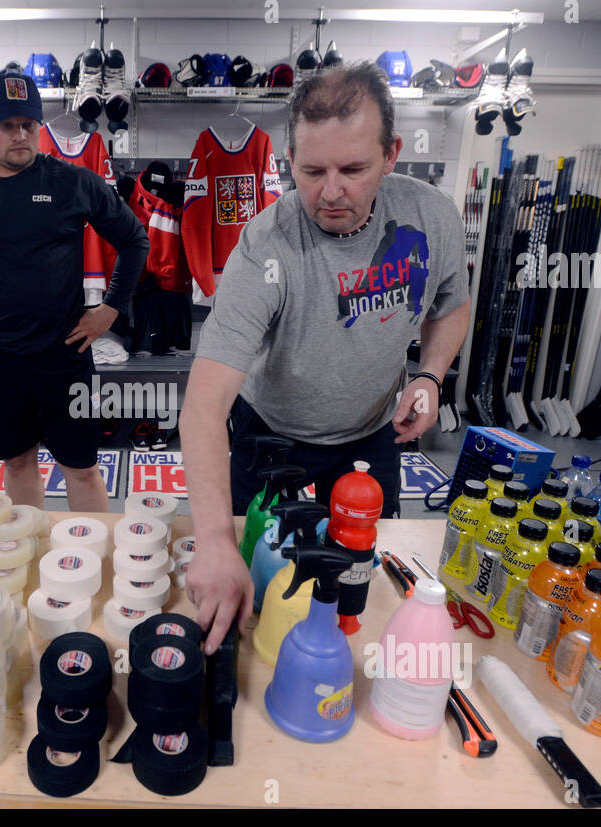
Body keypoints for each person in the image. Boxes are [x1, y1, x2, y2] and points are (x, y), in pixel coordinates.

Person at [180, 61, 470, 651]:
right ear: (288, 160)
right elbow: (204, 408)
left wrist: (432, 378)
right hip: (272, 442)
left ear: (391, 154)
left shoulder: (431, 217)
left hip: (371, 438)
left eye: (353, 169)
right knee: (261, 601)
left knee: (360, 604)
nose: (330, 191)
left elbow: (451, 303)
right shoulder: (266, 244)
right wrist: (211, 540)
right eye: (311, 171)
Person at [0, 71, 148, 512]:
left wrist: (111, 309)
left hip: (63, 357)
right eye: (7, 125)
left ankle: (89, 555)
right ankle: (32, 549)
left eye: (29, 124)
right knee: (18, 463)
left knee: (81, 467)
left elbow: (135, 240)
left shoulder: (73, 183)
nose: (20, 135)